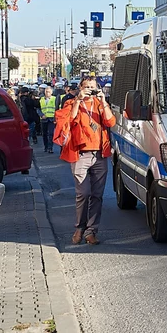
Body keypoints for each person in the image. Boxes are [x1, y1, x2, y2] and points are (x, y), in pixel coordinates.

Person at [53, 77, 116, 245]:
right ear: (80, 88)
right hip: (80, 154)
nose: (89, 90)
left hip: (100, 154)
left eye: (92, 87)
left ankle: (91, 231)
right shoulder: (72, 103)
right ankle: (79, 227)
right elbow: (68, 121)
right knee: (83, 193)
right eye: (86, 87)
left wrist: (103, 102)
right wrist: (78, 101)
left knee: (97, 195)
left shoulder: (99, 104)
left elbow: (110, 121)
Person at [38, 86, 62, 154]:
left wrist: (56, 117)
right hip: (43, 119)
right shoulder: (41, 99)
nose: (47, 93)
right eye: (46, 91)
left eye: (49, 92)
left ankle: (50, 148)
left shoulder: (55, 99)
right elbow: (38, 108)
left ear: (51, 92)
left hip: (51, 119)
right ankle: (46, 146)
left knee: (51, 133)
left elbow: (57, 108)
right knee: (44, 134)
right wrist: (41, 115)